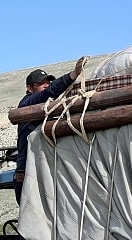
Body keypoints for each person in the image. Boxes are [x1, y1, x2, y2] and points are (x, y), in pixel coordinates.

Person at [14, 56, 88, 204]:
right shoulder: (27, 104)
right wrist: (73, 74)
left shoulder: (46, 109)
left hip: (43, 166)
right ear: (29, 88)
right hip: (28, 171)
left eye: (48, 82)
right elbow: (47, 93)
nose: (46, 85)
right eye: (41, 83)